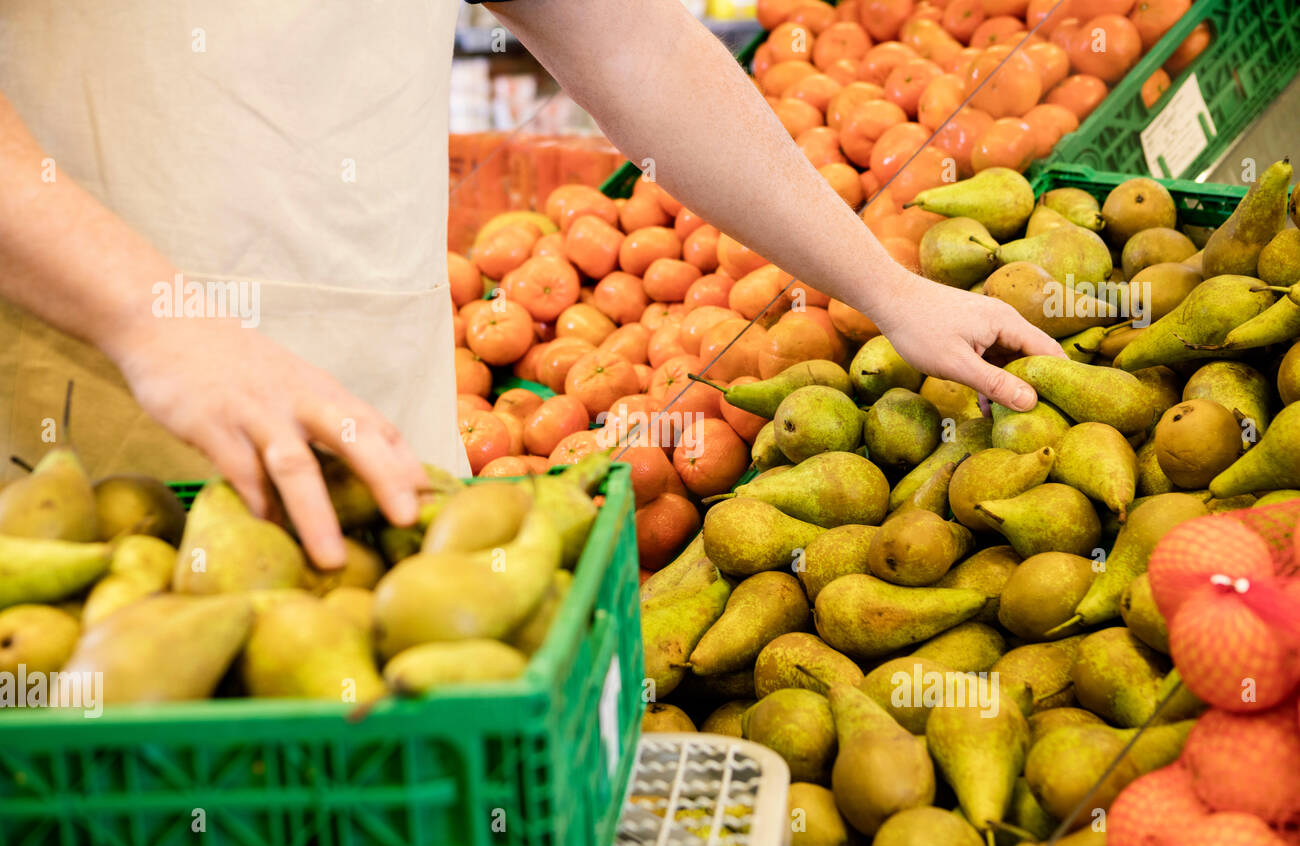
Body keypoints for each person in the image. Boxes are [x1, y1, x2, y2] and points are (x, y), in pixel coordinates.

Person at [0, 0, 1062, 570]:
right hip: (83, 426)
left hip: (379, 428)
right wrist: (158, 321)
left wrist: (883, 283)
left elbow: (632, 43)